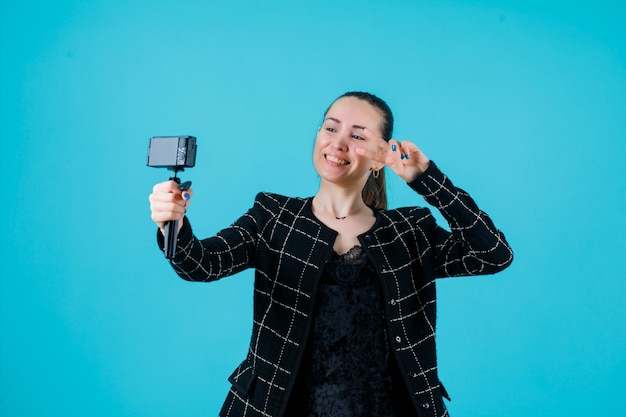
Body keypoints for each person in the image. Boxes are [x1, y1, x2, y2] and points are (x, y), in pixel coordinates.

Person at [149, 91, 513, 417]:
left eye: (358, 136)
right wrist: (174, 223)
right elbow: (200, 264)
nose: (338, 143)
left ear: (379, 159)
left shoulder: (410, 231)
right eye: (330, 128)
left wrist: (427, 179)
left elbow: (493, 254)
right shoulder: (273, 216)